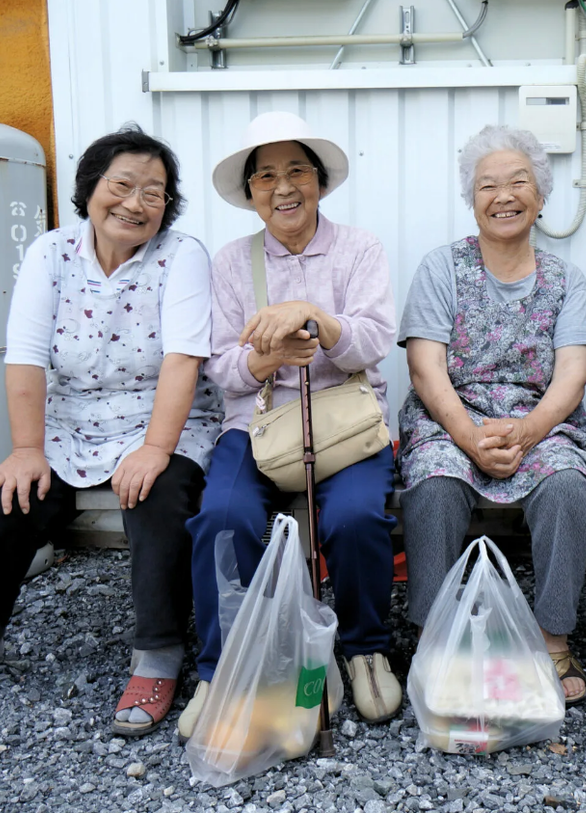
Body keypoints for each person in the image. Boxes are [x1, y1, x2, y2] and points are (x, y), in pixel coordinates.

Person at [0, 125, 223, 738]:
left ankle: (157, 654)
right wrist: (25, 449)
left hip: (161, 420)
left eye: (155, 192)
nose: (136, 202)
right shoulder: (51, 253)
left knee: (158, 493)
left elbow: (184, 359)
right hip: (70, 422)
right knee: (9, 496)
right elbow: (24, 354)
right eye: (122, 185)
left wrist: (154, 448)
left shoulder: (184, 256)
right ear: (89, 188)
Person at [178, 112, 399, 742]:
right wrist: (267, 359)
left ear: (321, 182)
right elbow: (221, 367)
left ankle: (364, 648)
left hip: (346, 421)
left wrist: (315, 319)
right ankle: (225, 668)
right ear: (250, 193)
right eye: (266, 175)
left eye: (297, 170)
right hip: (258, 422)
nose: (283, 187)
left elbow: (376, 339)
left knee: (356, 517)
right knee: (222, 518)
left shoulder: (360, 248)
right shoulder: (230, 262)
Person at [395, 124, 586, 706]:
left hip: (541, 423)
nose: (503, 196)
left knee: (567, 484)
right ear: (472, 198)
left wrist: (528, 430)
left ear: (541, 195)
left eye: (519, 182)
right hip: (450, 419)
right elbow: (425, 369)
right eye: (488, 185)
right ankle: (435, 641)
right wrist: (467, 435)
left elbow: (572, 374)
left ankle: (552, 637)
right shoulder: (443, 267)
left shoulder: (566, 280)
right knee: (433, 483)